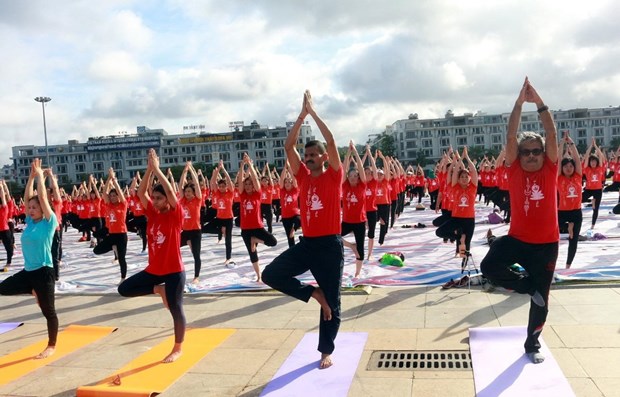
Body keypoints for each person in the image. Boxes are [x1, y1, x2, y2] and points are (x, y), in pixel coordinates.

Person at [262, 90, 344, 370]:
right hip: (308, 244)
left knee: (332, 305)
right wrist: (301, 117)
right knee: (270, 274)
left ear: (323, 157)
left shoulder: (334, 175)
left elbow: (331, 141)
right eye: (306, 155)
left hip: (330, 247)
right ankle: (313, 294)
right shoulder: (302, 177)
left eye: (312, 155)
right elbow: (288, 147)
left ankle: (325, 351)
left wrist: (314, 113)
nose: (307, 158)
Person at [480, 77, 558, 364]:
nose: (532, 156)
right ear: (519, 156)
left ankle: (532, 345)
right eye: (526, 152)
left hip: (546, 245)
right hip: (517, 240)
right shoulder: (514, 171)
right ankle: (528, 287)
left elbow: (550, 130)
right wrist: (517, 104)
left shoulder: (550, 169)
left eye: (536, 151)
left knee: (543, 303)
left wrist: (538, 102)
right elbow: (511, 136)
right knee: (489, 267)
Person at [117, 148, 186, 363]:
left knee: (175, 309)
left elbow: (172, 195)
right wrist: (148, 170)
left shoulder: (175, 215)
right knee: (124, 289)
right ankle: (158, 289)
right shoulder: (152, 214)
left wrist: (157, 169)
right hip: (154, 271)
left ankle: (177, 348)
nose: (154, 201)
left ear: (167, 199)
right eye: (154, 198)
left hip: (174, 270)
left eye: (159, 198)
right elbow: (140, 192)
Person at [0, 158, 59, 359]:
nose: (31, 209)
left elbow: (42, 196)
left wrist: (41, 177)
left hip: (44, 272)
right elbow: (27, 198)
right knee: (2, 288)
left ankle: (51, 345)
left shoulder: (49, 222)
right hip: (28, 273)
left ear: (44, 209)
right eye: (30, 208)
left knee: (48, 312)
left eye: (35, 207)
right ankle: (32, 290)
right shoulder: (30, 222)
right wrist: (31, 178)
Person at [236, 153, 278, 282]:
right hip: (246, 229)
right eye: (246, 184)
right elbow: (239, 182)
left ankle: (255, 240)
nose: (248, 186)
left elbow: (254, 178)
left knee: (273, 242)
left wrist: (250, 165)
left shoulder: (257, 194)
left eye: (250, 184)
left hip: (258, 227)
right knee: (252, 253)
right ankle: (259, 276)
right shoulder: (242, 195)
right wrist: (242, 166)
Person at [94, 168, 129, 282]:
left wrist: (114, 180)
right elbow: (104, 193)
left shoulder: (123, 205)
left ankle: (123, 278)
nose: (113, 197)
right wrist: (109, 178)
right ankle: (113, 247)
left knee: (122, 259)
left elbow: (119, 191)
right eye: (111, 196)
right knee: (96, 250)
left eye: (115, 196)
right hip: (112, 234)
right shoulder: (109, 205)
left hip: (121, 235)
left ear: (118, 196)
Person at [341, 141, 367, 277]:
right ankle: (352, 246)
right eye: (350, 176)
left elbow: (361, 170)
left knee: (361, 248)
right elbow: (344, 168)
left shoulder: (362, 186)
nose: (352, 178)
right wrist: (348, 153)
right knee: (334, 237)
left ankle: (357, 273)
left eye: (355, 176)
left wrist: (356, 152)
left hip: (359, 221)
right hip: (346, 221)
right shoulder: (345, 186)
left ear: (358, 178)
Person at [557, 132, 583, 269]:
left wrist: (571, 143)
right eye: (566, 166)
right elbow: (558, 158)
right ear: (562, 168)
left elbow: (577, 160)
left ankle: (568, 265)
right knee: (553, 235)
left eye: (570, 166)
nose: (569, 168)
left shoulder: (578, 176)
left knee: (574, 240)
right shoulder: (559, 178)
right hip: (562, 212)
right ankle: (568, 227)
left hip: (576, 212)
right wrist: (562, 143)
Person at [177, 161, 203, 283]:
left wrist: (191, 170)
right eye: (186, 191)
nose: (187, 193)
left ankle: (196, 276)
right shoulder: (183, 201)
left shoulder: (197, 200)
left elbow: (196, 183)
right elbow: (180, 185)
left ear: (193, 193)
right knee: (173, 247)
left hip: (195, 232)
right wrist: (185, 170)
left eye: (189, 192)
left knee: (196, 255)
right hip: (185, 231)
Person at [581, 137, 607, 229]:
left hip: (598, 190)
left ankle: (592, 225)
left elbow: (601, 157)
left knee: (595, 209)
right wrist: (590, 147)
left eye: (594, 161)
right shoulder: (587, 169)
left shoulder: (600, 168)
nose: (593, 163)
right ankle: (591, 201)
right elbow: (586, 157)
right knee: (578, 200)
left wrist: (595, 146)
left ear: (597, 162)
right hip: (588, 190)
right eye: (591, 161)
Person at [279, 161, 301, 248]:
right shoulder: (282, 191)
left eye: (289, 182)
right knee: (290, 238)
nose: (287, 184)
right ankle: (292, 250)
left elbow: (294, 179)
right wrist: (285, 167)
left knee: (300, 221)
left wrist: (290, 167)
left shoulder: (295, 190)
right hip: (285, 217)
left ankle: (294, 229)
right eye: (286, 182)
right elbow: (281, 179)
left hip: (294, 214)